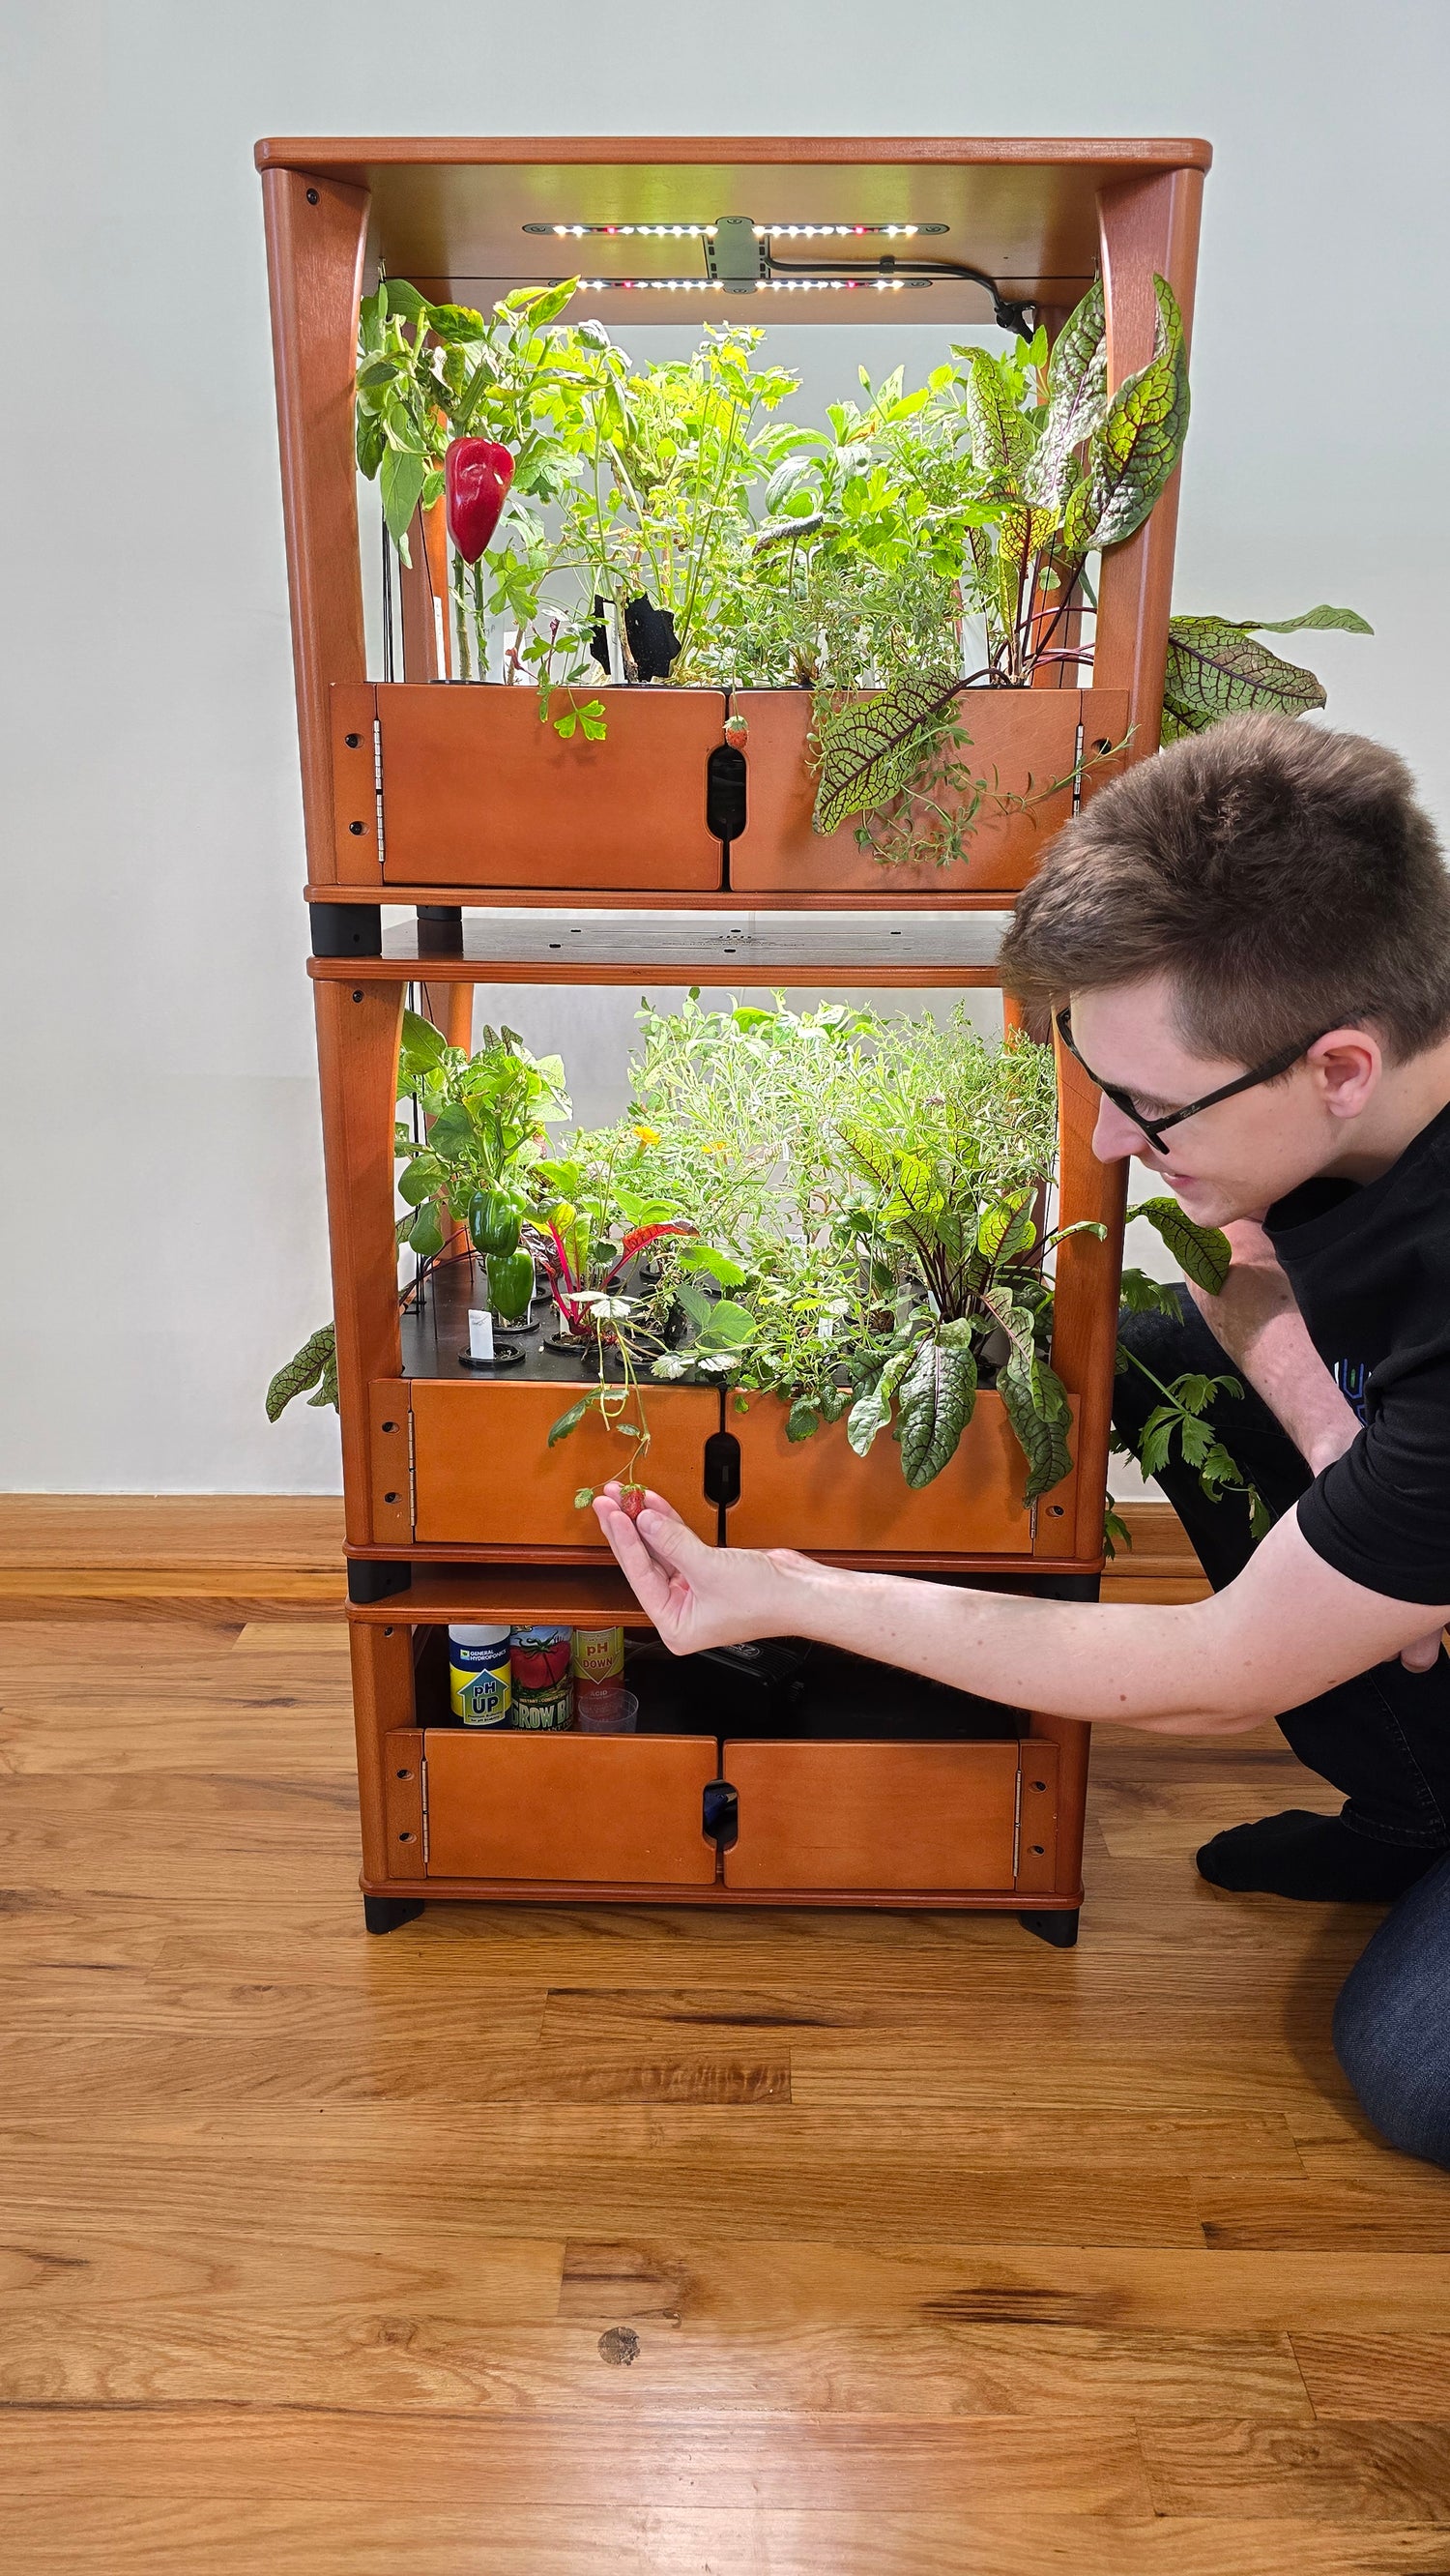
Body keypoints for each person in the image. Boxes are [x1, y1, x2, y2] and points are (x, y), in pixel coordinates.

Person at [593, 713, 1450, 2169]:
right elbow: (1228, 1250)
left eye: (1151, 1108)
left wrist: (791, 1592)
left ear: (1342, 1067)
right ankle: (1414, 1796)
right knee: (1182, 1355)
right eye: (1090, 1073)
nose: (1110, 1146)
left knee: (1414, 2078)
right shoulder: (1337, 1093)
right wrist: (1339, 1437)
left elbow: (1205, 1678)